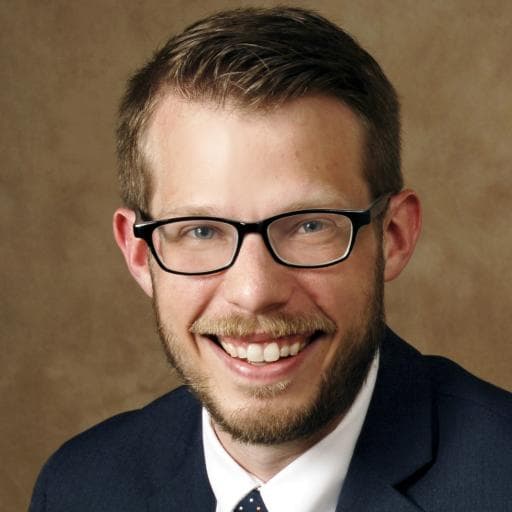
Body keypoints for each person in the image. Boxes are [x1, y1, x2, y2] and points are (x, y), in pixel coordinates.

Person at [30, 7, 512, 512]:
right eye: (201, 231)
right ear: (138, 252)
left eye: (309, 226)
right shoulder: (79, 488)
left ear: (393, 235)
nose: (255, 291)